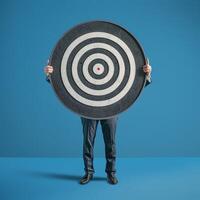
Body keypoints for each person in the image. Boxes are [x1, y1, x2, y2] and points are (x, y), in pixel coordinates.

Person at [44, 62, 152, 185]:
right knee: (88, 142)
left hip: (111, 109)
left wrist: (146, 75)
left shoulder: (117, 64)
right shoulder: (82, 65)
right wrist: (50, 75)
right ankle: (88, 172)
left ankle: (111, 173)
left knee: (110, 142)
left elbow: (131, 84)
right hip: (88, 109)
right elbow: (67, 81)